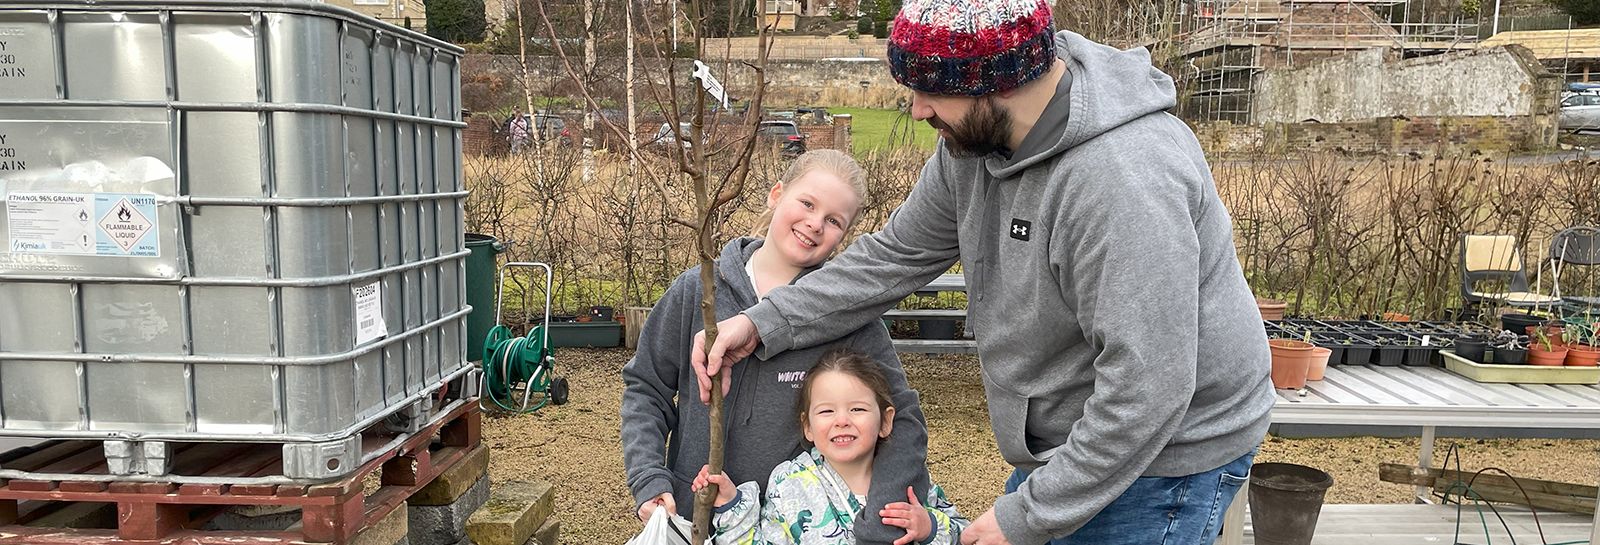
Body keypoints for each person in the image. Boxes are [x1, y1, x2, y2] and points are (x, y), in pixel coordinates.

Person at [691, 0, 1278, 543]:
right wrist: (763, 322)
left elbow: (1147, 387)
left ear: (997, 81)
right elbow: (893, 256)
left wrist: (1024, 516)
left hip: (1163, 462)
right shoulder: (973, 145)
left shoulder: (1121, 180)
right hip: (1069, 444)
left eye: (930, 91)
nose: (918, 109)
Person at [621, 150, 933, 545]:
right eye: (807, 203)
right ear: (776, 194)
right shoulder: (698, 292)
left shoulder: (850, 317)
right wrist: (649, 476)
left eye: (834, 221)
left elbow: (901, 418)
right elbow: (647, 388)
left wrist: (883, 518)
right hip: (689, 516)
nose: (815, 224)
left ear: (845, 236)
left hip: (790, 528)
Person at [694, 349, 968, 545]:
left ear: (886, 421)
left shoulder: (908, 479)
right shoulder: (789, 483)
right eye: (826, 412)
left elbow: (967, 534)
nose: (842, 421)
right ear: (808, 427)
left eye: (857, 408)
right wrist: (732, 506)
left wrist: (930, 528)